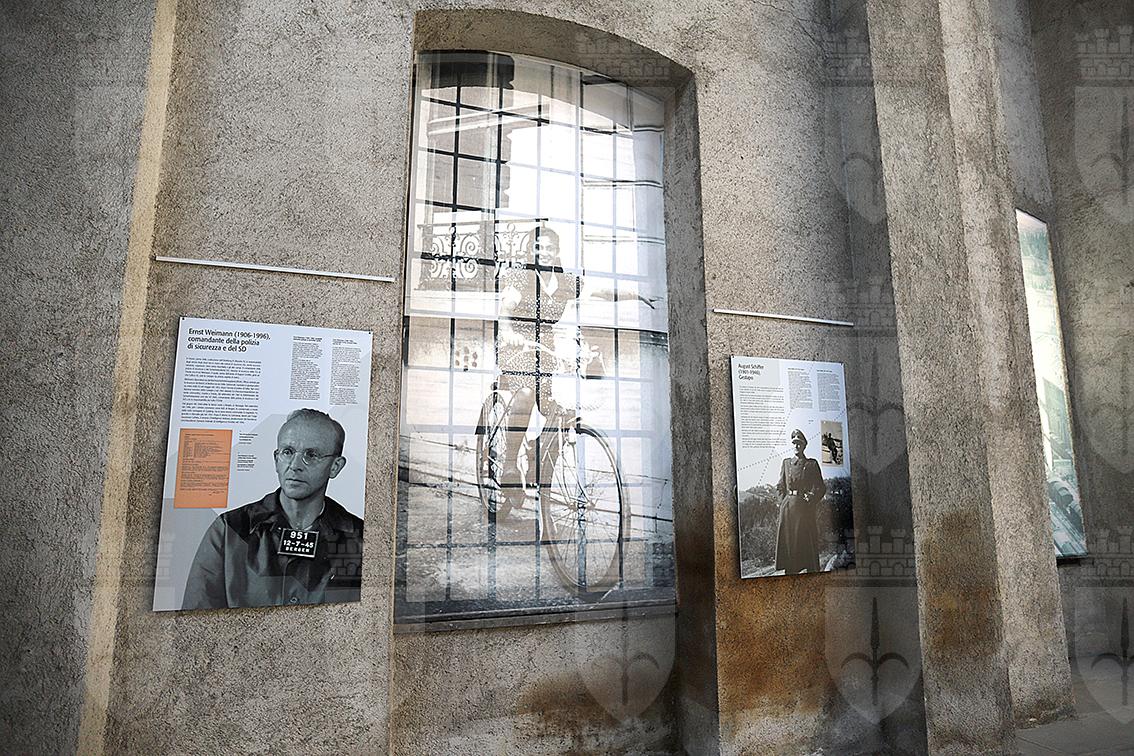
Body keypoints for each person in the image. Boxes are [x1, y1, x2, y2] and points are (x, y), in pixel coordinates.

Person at [182, 408, 363, 609]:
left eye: (311, 455)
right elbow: (197, 618)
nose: (295, 465)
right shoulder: (229, 530)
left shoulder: (361, 538)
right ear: (276, 460)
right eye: (287, 452)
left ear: (335, 466)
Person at [775, 429, 827, 574]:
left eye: (799, 443)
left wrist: (811, 498)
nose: (796, 446)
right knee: (789, 547)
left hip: (804, 511)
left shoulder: (811, 464)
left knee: (805, 547)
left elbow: (821, 487)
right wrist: (783, 502)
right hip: (787, 511)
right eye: (794, 443)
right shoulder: (786, 463)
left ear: (804, 445)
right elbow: (780, 486)